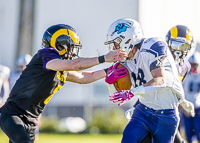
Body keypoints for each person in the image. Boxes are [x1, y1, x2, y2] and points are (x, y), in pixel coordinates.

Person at [0, 24, 127, 143]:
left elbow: (84, 77)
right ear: (60, 45)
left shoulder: (60, 68)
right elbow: (75, 65)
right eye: (71, 47)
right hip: (13, 114)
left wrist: (109, 71)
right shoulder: (46, 54)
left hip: (32, 120)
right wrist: (104, 58)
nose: (72, 51)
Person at [104, 18, 195, 143]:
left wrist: (182, 100)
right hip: (145, 105)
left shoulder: (181, 63)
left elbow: (165, 82)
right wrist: (110, 82)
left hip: (167, 111)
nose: (178, 50)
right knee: (131, 137)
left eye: (183, 46)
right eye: (175, 45)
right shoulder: (136, 57)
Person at [181, 51, 200, 143]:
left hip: (198, 108)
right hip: (187, 109)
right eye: (192, 64)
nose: (193, 67)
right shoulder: (185, 77)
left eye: (195, 65)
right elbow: (180, 93)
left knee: (199, 133)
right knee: (189, 135)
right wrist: (182, 107)